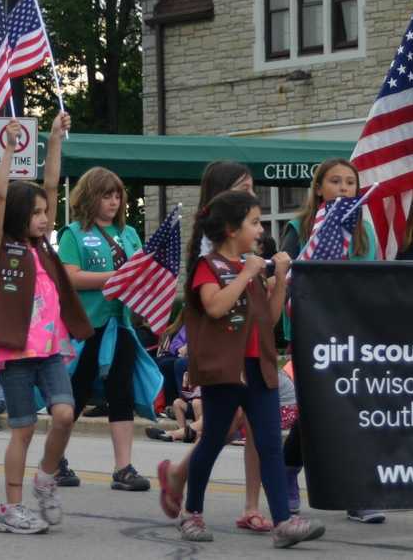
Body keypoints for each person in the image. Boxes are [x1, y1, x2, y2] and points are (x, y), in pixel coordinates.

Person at [157, 190, 324, 548]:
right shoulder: (208, 266)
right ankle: (192, 512)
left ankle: (283, 522)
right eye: (254, 221)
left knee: (269, 444)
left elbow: (271, 319)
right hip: (225, 370)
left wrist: (279, 280)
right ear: (232, 230)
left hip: (258, 367)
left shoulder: (251, 266)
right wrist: (245, 274)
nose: (260, 228)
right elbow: (215, 307)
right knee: (213, 440)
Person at [0, 115, 93, 534]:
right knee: (22, 430)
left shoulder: (44, 249)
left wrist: (56, 139)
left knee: (64, 414)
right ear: (17, 217)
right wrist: (8, 150)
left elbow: (51, 180)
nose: (45, 217)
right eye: (37, 213)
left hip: (49, 351)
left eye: (47, 211)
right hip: (15, 354)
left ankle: (46, 478)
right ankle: (10, 509)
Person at [163, 160, 270, 533]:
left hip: (255, 345)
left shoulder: (253, 236)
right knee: (225, 426)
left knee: (255, 426)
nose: (251, 195)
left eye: (252, 187)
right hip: (223, 348)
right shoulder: (211, 247)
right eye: (242, 188)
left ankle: (252, 504)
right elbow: (210, 305)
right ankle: (183, 477)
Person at [278, 158, 384, 524]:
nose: (343, 188)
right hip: (312, 332)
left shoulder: (364, 234)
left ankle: (356, 492)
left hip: (354, 333)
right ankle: (288, 467)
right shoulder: (299, 227)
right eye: (335, 181)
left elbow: (374, 283)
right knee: (318, 412)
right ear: (319, 188)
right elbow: (287, 278)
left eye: (350, 183)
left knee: (353, 412)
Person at [56, 166, 151, 492]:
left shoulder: (129, 234)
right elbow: (69, 275)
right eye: (106, 195)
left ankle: (123, 467)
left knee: (120, 390)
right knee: (76, 391)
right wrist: (115, 279)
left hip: (121, 323)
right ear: (90, 196)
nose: (113, 202)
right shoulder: (73, 234)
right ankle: (55, 459)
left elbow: (141, 273)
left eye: (117, 195)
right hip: (87, 325)